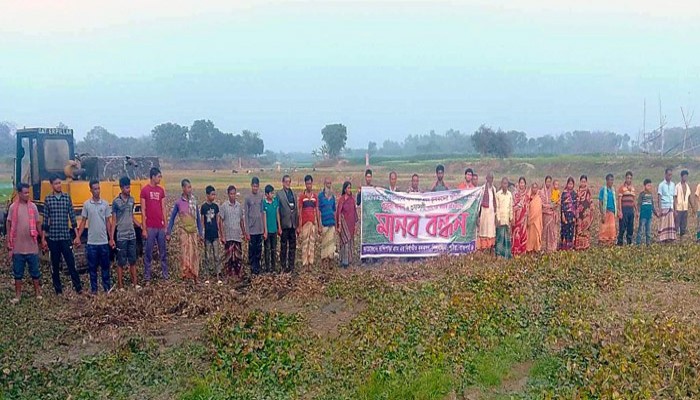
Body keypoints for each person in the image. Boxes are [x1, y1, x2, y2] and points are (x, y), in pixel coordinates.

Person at [42, 174, 83, 295]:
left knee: (71, 263)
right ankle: (58, 290)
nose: (58, 185)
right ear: (51, 185)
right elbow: (45, 221)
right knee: (54, 265)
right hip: (53, 238)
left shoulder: (66, 198)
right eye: (56, 183)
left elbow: (72, 217)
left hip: (65, 237)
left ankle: (78, 288)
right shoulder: (48, 199)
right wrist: (44, 239)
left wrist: (77, 236)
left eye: (60, 183)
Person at [75, 180, 114, 294]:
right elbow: (83, 222)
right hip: (92, 243)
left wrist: (111, 238)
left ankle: (107, 289)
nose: (97, 191)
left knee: (105, 268)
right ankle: (94, 291)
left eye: (98, 188)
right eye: (95, 189)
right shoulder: (87, 205)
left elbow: (108, 222)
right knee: (92, 269)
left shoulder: (105, 204)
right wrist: (78, 236)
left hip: (103, 242)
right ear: (91, 190)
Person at [7, 183, 42, 303]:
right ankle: (18, 295)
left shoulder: (33, 207)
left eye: (28, 192)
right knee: (18, 273)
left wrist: (42, 238)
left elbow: (37, 224)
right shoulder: (13, 208)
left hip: (31, 245)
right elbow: (9, 224)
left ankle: (37, 293)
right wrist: (9, 241)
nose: (27, 195)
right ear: (19, 193)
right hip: (18, 247)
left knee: (35, 272)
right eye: (25, 193)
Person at [167, 179, 203, 283]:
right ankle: (185, 276)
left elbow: (198, 219)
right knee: (184, 253)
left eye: (190, 187)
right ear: (183, 188)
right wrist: (168, 232)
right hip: (183, 232)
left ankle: (195, 276)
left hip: (193, 231)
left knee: (194, 254)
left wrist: (201, 233)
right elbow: (172, 218)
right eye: (188, 187)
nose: (190, 189)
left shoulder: (194, 201)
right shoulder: (179, 203)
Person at [111, 177, 141, 290]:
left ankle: (135, 284)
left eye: (129, 187)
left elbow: (132, 217)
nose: (129, 189)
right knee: (121, 262)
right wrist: (112, 238)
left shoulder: (132, 200)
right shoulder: (116, 202)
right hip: (121, 236)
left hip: (131, 235)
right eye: (127, 187)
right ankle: (120, 286)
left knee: (133, 260)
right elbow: (114, 220)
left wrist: (140, 225)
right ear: (121, 187)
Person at [141, 167, 168, 283]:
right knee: (148, 253)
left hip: (160, 226)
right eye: (159, 176)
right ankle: (147, 276)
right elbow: (143, 210)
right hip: (150, 226)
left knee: (163, 252)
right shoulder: (144, 190)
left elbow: (163, 208)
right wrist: (144, 228)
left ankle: (165, 275)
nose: (160, 179)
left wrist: (166, 226)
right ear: (152, 176)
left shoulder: (161, 191)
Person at [220, 185, 246, 279]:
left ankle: (238, 274)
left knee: (238, 257)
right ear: (228, 194)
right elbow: (220, 221)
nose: (233, 195)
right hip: (228, 236)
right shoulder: (224, 206)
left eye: (234, 194)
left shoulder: (239, 206)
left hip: (237, 236)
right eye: (231, 194)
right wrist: (222, 235)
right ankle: (229, 275)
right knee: (229, 257)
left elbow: (241, 221)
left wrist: (244, 233)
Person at [298, 175, 320, 267]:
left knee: (311, 242)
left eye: (310, 183)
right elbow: (299, 212)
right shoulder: (302, 197)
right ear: (305, 184)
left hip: (312, 223)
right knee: (304, 243)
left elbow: (317, 211)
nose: (309, 185)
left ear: (312, 184)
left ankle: (311, 261)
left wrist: (319, 225)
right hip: (304, 223)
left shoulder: (315, 197)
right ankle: (304, 262)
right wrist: (299, 226)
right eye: (307, 184)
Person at [277, 175, 298, 273]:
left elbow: (296, 210)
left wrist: (297, 224)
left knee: (292, 246)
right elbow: (278, 211)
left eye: (289, 181)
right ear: (282, 182)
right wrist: (279, 227)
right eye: (286, 181)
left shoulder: (293, 193)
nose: (288, 183)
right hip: (284, 224)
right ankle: (283, 266)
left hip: (293, 224)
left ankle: (291, 266)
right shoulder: (279, 194)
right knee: (284, 246)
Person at [201, 185, 222, 284]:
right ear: (207, 195)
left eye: (214, 194)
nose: (214, 196)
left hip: (215, 235)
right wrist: (201, 233)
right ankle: (207, 276)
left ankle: (218, 276)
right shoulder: (204, 207)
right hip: (207, 236)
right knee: (207, 256)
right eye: (212, 194)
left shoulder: (216, 207)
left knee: (217, 256)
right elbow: (202, 222)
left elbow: (218, 221)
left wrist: (220, 232)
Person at [245, 177, 265, 275]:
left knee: (258, 249)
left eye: (257, 186)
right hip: (251, 229)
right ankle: (252, 268)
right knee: (252, 250)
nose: (255, 188)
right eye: (254, 186)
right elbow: (246, 216)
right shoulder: (248, 198)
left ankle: (258, 267)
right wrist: (247, 232)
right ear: (251, 186)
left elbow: (262, 212)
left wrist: (264, 229)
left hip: (259, 228)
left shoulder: (261, 197)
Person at [336, 181, 357, 268]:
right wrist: (339, 225)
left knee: (350, 241)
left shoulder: (352, 199)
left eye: (350, 188)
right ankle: (344, 261)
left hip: (351, 223)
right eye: (348, 188)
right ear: (345, 189)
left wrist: (356, 221)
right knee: (345, 242)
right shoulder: (341, 199)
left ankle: (349, 260)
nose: (349, 189)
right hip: (344, 223)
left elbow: (354, 211)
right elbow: (338, 212)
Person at [262, 184, 281, 273]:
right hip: (268, 230)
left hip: (274, 229)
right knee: (267, 249)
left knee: (274, 249)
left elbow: (277, 215)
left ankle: (273, 267)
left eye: (273, 193)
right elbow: (264, 217)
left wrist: (279, 227)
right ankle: (267, 268)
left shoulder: (275, 202)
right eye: (271, 193)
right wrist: (265, 231)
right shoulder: (264, 203)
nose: (272, 195)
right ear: (266, 194)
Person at [318, 177, 337, 265]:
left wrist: (336, 223)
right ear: (324, 184)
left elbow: (334, 210)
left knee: (331, 243)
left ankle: (330, 260)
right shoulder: (320, 196)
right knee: (325, 243)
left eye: (330, 183)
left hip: (332, 223)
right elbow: (318, 210)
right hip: (324, 223)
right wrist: (319, 224)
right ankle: (324, 260)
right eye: (327, 184)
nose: (328, 185)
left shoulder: (333, 197)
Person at [477, 172, 497, 252]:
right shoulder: (482, 189)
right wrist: (477, 216)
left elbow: (495, 203)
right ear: (486, 179)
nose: (490, 180)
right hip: (484, 214)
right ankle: (484, 248)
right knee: (484, 231)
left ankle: (490, 247)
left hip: (491, 214)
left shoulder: (494, 189)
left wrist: (496, 215)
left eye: (492, 178)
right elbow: (479, 203)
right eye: (489, 178)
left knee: (491, 232)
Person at [495, 177, 514, 259]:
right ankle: (499, 254)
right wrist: (498, 219)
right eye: (503, 183)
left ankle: (506, 255)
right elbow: (497, 207)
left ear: (507, 185)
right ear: (501, 184)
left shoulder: (510, 194)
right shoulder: (498, 194)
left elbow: (510, 207)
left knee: (507, 238)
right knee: (500, 238)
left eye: (506, 183)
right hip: (500, 220)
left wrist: (511, 217)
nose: (505, 185)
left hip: (507, 219)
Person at [616, 171, 636, 245]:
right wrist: (620, 211)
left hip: (631, 209)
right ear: (625, 178)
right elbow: (619, 200)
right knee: (622, 227)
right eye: (628, 178)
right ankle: (620, 242)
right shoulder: (622, 188)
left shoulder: (633, 188)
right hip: (624, 209)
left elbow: (633, 200)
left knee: (630, 227)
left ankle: (629, 242)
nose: (629, 180)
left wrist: (636, 211)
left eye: (630, 178)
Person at [658, 168, 677, 243]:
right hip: (664, 206)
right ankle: (663, 239)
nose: (670, 176)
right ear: (665, 175)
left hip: (670, 206)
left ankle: (670, 238)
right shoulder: (661, 185)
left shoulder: (673, 185)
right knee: (663, 224)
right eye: (668, 175)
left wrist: (675, 209)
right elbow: (659, 197)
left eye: (671, 175)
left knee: (670, 223)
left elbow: (674, 197)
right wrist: (660, 209)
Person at [574, 175, 593, 251]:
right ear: (580, 182)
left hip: (586, 214)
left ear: (586, 182)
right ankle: (579, 245)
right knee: (579, 229)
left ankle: (585, 245)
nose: (583, 183)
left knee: (586, 229)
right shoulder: (577, 191)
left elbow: (590, 201)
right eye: (582, 181)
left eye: (584, 181)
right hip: (579, 214)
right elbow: (576, 202)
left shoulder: (588, 191)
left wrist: (591, 209)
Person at [511, 177, 528, 256]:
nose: (522, 184)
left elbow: (527, 208)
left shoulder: (527, 195)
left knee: (523, 234)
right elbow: (512, 206)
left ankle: (522, 252)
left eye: (523, 183)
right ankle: (515, 252)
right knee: (516, 234)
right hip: (516, 219)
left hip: (523, 220)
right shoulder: (515, 194)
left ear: (525, 184)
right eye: (520, 183)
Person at [598, 174, 617, 246]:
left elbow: (614, 202)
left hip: (612, 212)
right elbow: (600, 202)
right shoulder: (603, 190)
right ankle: (603, 243)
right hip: (605, 212)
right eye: (610, 180)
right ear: (606, 181)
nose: (611, 182)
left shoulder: (613, 191)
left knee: (611, 229)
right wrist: (602, 213)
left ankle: (610, 243)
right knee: (604, 229)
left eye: (612, 180)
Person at [636, 179, 656, 246]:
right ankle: (638, 243)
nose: (649, 187)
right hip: (643, 215)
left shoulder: (650, 195)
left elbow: (652, 205)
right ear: (644, 186)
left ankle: (648, 244)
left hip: (649, 215)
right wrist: (637, 212)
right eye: (648, 185)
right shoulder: (642, 194)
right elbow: (639, 204)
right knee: (640, 230)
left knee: (648, 231)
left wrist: (656, 213)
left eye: (650, 185)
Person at [559, 177, 577, 250]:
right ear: (567, 184)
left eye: (571, 184)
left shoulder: (574, 194)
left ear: (573, 185)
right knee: (564, 230)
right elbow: (562, 205)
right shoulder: (564, 193)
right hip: (565, 215)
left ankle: (569, 246)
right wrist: (563, 215)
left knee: (571, 231)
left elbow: (576, 206)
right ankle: (563, 246)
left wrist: (575, 217)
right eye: (569, 184)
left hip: (572, 216)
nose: (570, 185)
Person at [541, 176, 557, 252]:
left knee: (551, 231)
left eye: (550, 182)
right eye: (547, 181)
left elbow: (555, 203)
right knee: (544, 231)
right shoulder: (541, 192)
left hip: (551, 215)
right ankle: (544, 247)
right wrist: (549, 206)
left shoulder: (553, 192)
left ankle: (551, 247)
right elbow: (541, 204)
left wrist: (553, 206)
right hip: (544, 215)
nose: (549, 183)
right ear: (545, 182)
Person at [675, 170, 693, 237]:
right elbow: (675, 198)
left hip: (685, 208)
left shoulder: (687, 186)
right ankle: (676, 239)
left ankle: (682, 239)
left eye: (686, 176)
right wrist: (675, 209)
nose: (685, 178)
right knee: (677, 224)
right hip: (678, 208)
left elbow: (689, 197)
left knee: (684, 225)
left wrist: (692, 207)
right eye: (684, 176)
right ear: (681, 177)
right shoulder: (677, 186)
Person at [526, 183, 543, 253]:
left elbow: (539, 210)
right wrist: (528, 219)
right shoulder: (529, 198)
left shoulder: (539, 198)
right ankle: (529, 248)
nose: (534, 189)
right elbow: (527, 209)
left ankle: (537, 248)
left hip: (537, 220)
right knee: (530, 235)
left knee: (536, 234)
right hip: (530, 220)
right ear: (531, 188)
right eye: (533, 188)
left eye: (536, 188)